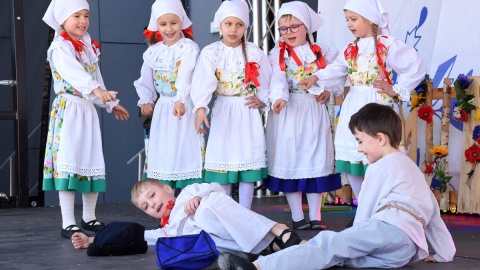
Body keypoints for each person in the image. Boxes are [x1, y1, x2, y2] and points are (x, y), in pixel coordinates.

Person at [219, 103, 456, 269]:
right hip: (406, 250)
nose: (360, 149)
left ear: (381, 139)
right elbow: (433, 213)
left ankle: (259, 266)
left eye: (361, 141)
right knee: (343, 257)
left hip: (388, 230)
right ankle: (293, 256)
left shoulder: (380, 167)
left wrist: (351, 234)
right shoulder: (410, 167)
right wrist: (445, 254)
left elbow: (365, 209)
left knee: (330, 244)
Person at [304, 0, 427, 209]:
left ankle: (381, 207)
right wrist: (316, 77)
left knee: (378, 156)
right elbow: (337, 69)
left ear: (370, 20)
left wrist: (395, 88)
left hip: (376, 103)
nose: (349, 24)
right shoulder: (351, 48)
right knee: (352, 157)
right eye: (347, 20)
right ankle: (364, 208)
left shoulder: (387, 44)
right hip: (354, 103)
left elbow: (416, 65)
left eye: (354, 19)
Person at [41, 0, 130, 239]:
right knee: (69, 162)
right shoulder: (60, 47)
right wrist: (95, 89)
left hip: (87, 110)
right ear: (62, 20)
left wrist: (110, 103)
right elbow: (75, 75)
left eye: (86, 16)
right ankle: (67, 222)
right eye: (76, 16)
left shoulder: (87, 46)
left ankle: (89, 216)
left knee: (90, 161)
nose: (83, 21)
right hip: (69, 110)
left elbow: (96, 79)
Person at [263, 1, 342, 231]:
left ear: (306, 27)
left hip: (313, 110)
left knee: (314, 159)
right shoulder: (278, 53)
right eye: (283, 29)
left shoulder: (322, 51)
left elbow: (337, 75)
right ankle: (297, 217)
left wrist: (328, 89)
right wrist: (278, 97)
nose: (289, 33)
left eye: (294, 27)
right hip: (288, 111)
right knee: (290, 160)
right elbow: (277, 77)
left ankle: (316, 216)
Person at [72, 179, 304, 256]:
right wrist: (93, 241)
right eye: (147, 206)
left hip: (236, 224)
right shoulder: (167, 229)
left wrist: (201, 198)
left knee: (206, 207)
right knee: (194, 241)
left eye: (152, 195)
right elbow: (132, 234)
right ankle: (271, 246)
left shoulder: (190, 192)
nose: (153, 204)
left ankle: (277, 229)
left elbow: (219, 191)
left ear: (167, 188)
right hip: (237, 246)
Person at [190, 0, 272, 209]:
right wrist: (201, 108)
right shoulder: (212, 52)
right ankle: (225, 211)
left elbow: (266, 79)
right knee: (223, 163)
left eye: (239, 24)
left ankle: (244, 212)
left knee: (247, 162)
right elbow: (203, 82)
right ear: (220, 25)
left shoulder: (254, 52)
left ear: (245, 27)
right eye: (229, 24)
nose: (233, 29)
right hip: (224, 111)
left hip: (247, 111)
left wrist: (262, 98)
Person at [134, 0, 204, 188]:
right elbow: (145, 79)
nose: (168, 28)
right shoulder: (153, 52)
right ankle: (167, 205)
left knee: (185, 149)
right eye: (163, 24)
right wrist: (146, 99)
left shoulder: (188, 47)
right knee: (165, 153)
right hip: (163, 110)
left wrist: (180, 98)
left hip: (183, 107)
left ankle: (189, 198)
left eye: (173, 22)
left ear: (181, 21)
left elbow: (186, 74)